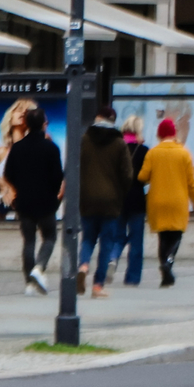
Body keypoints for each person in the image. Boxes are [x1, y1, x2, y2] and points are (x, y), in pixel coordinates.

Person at [1, 104, 65, 294]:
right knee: (50, 237)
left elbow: (8, 174)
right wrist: (54, 194)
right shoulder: (51, 148)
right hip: (46, 201)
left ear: (26, 124)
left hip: (24, 201)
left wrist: (20, 189)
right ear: (44, 124)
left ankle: (29, 282)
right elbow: (57, 176)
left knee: (28, 241)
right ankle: (39, 267)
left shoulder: (17, 148)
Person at [139, 114, 194, 288]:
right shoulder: (183, 154)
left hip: (157, 201)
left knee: (162, 237)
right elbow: (191, 182)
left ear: (159, 134)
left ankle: (165, 270)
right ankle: (168, 262)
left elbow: (143, 176)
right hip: (178, 202)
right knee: (176, 235)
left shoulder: (153, 153)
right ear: (174, 134)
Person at [80, 107, 131, 296]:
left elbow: (75, 167)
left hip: (87, 199)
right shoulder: (119, 143)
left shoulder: (84, 140)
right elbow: (127, 175)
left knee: (87, 239)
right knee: (107, 243)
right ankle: (97, 285)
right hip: (110, 201)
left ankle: (83, 265)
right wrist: (120, 192)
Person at [120, 115, 149, 286]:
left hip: (119, 198)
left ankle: (111, 262)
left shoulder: (117, 148)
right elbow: (145, 177)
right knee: (137, 240)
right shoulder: (144, 150)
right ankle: (133, 277)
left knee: (116, 236)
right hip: (137, 198)